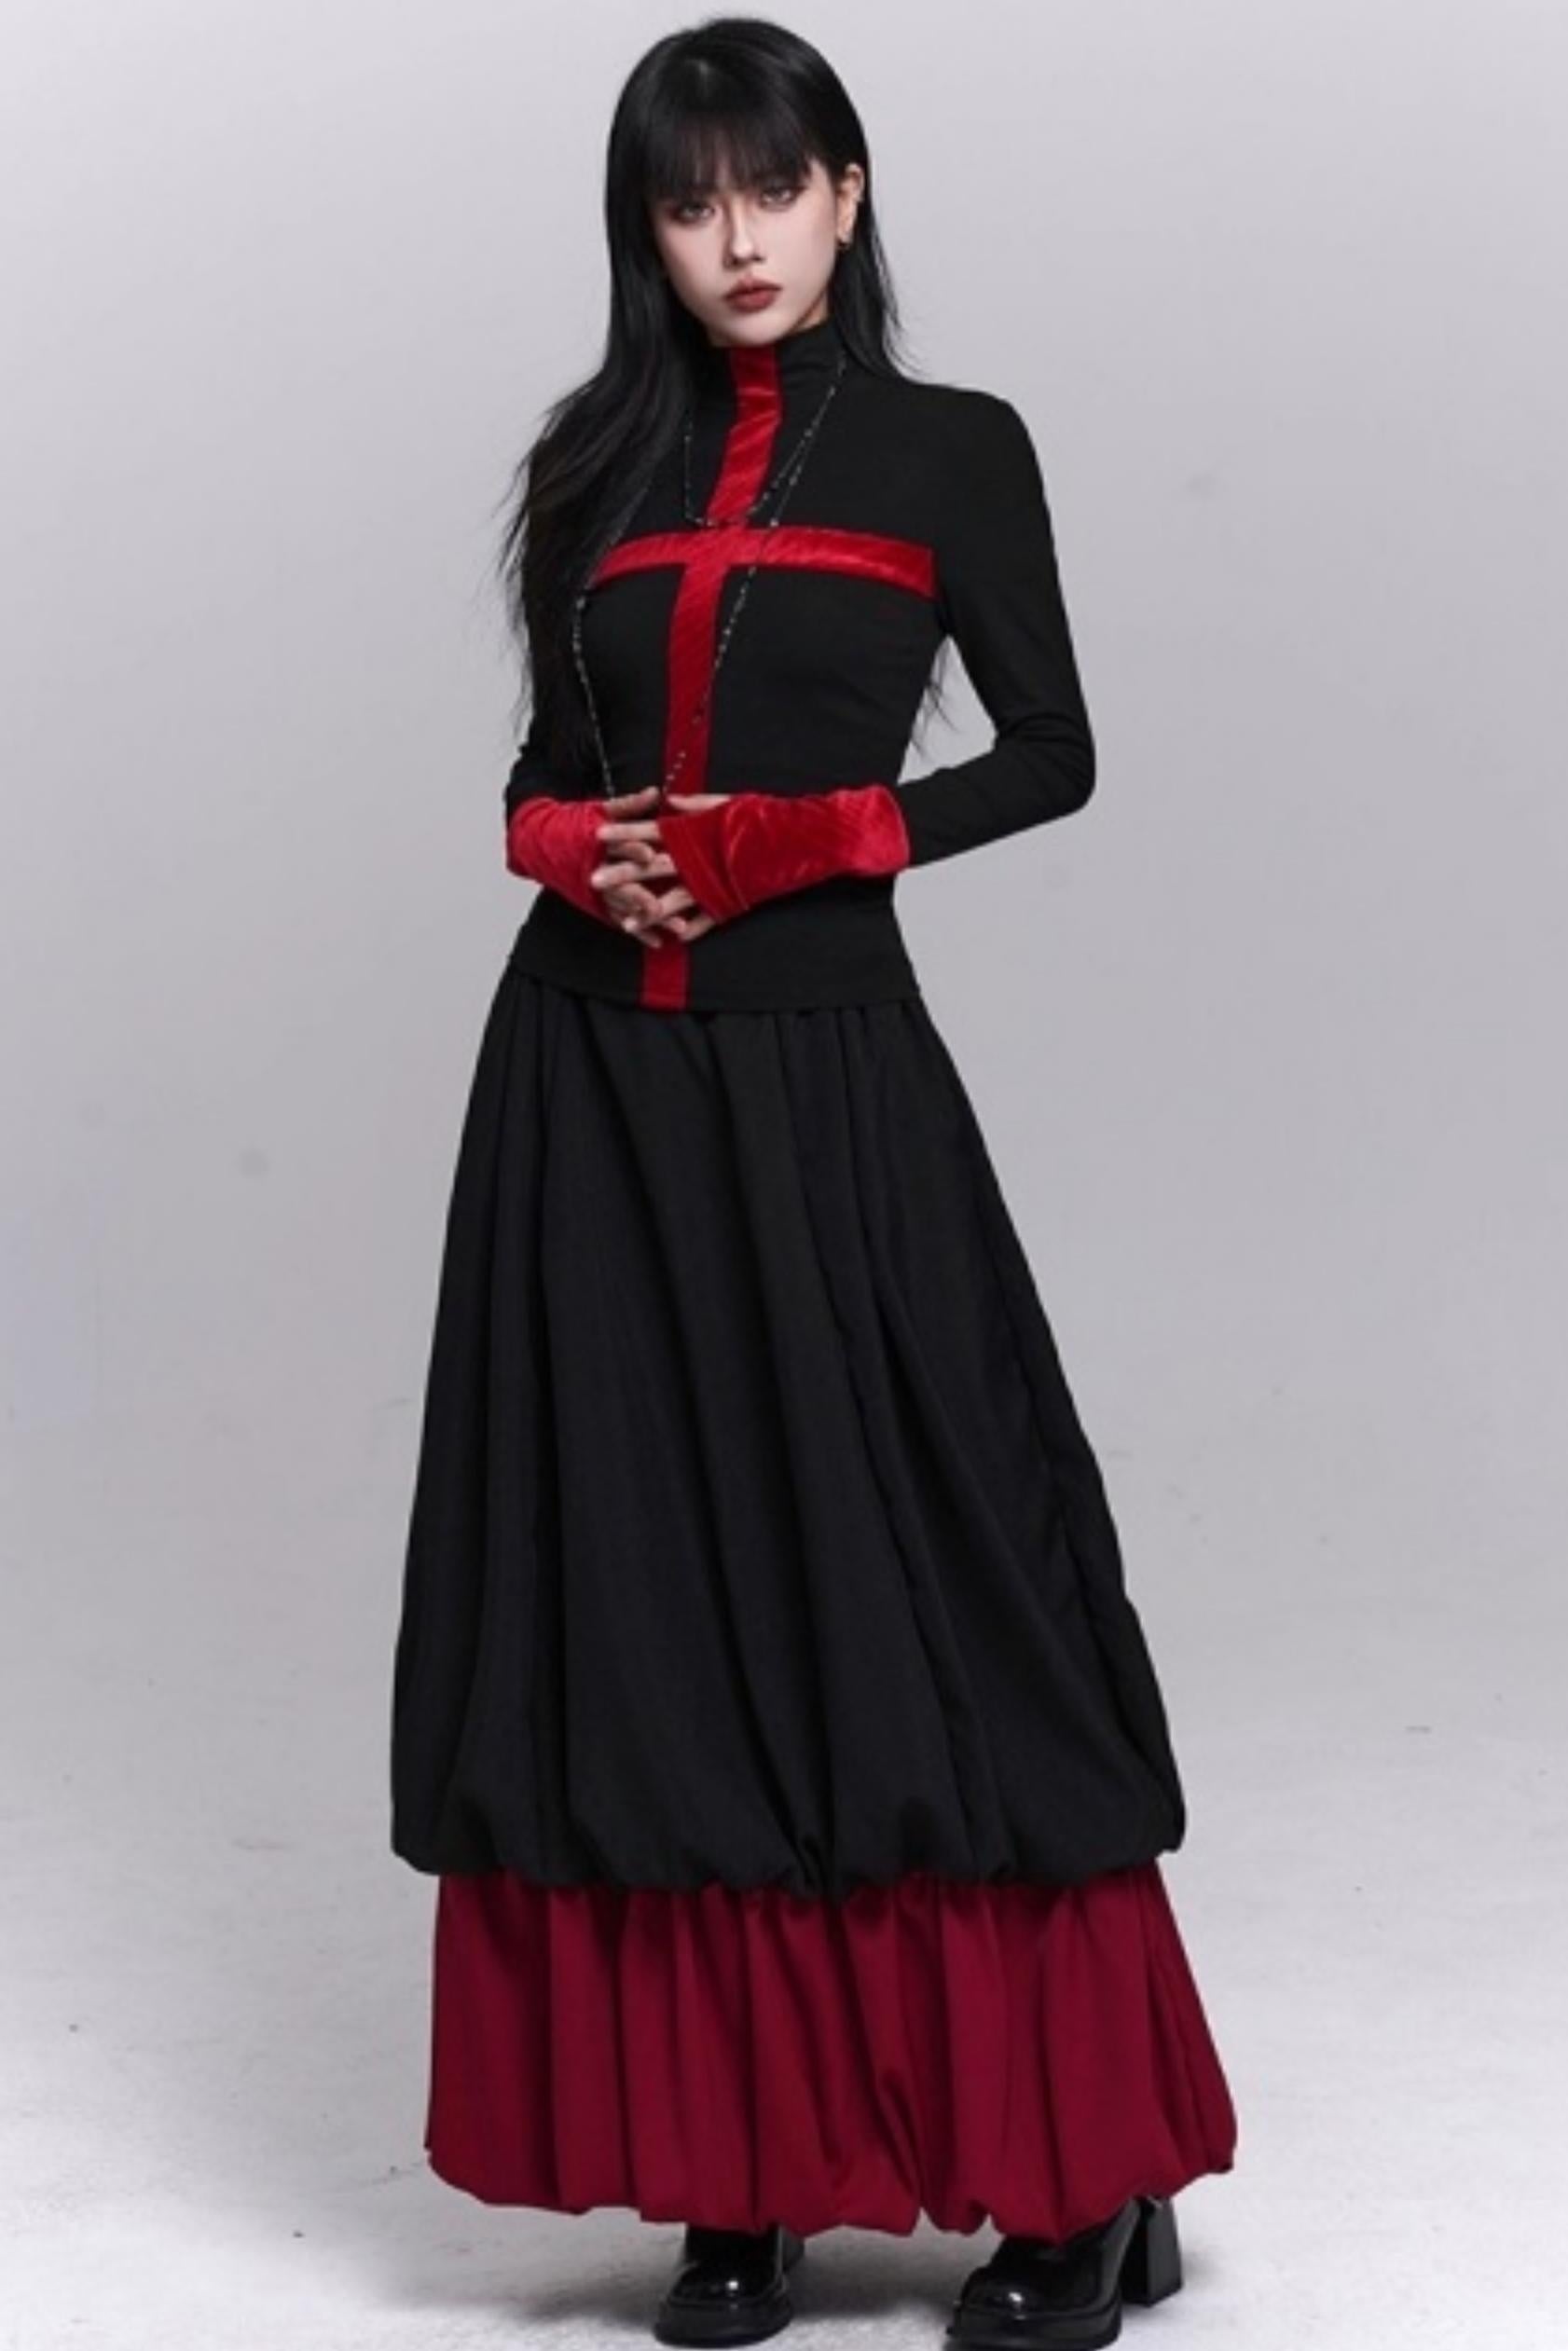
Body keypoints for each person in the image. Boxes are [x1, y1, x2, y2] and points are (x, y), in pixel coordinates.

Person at [390, 18, 1238, 2347]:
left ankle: (1078, 2175)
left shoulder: (954, 450)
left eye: (772, 188)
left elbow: (1051, 749)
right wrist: (562, 844)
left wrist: (819, 835)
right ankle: (735, 2172)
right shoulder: (591, 462)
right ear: (643, 231)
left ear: (848, 195)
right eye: (687, 202)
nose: (736, 239)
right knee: (646, 1602)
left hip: (824, 1080)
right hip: (587, 1092)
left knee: (927, 1581)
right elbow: (544, 762)